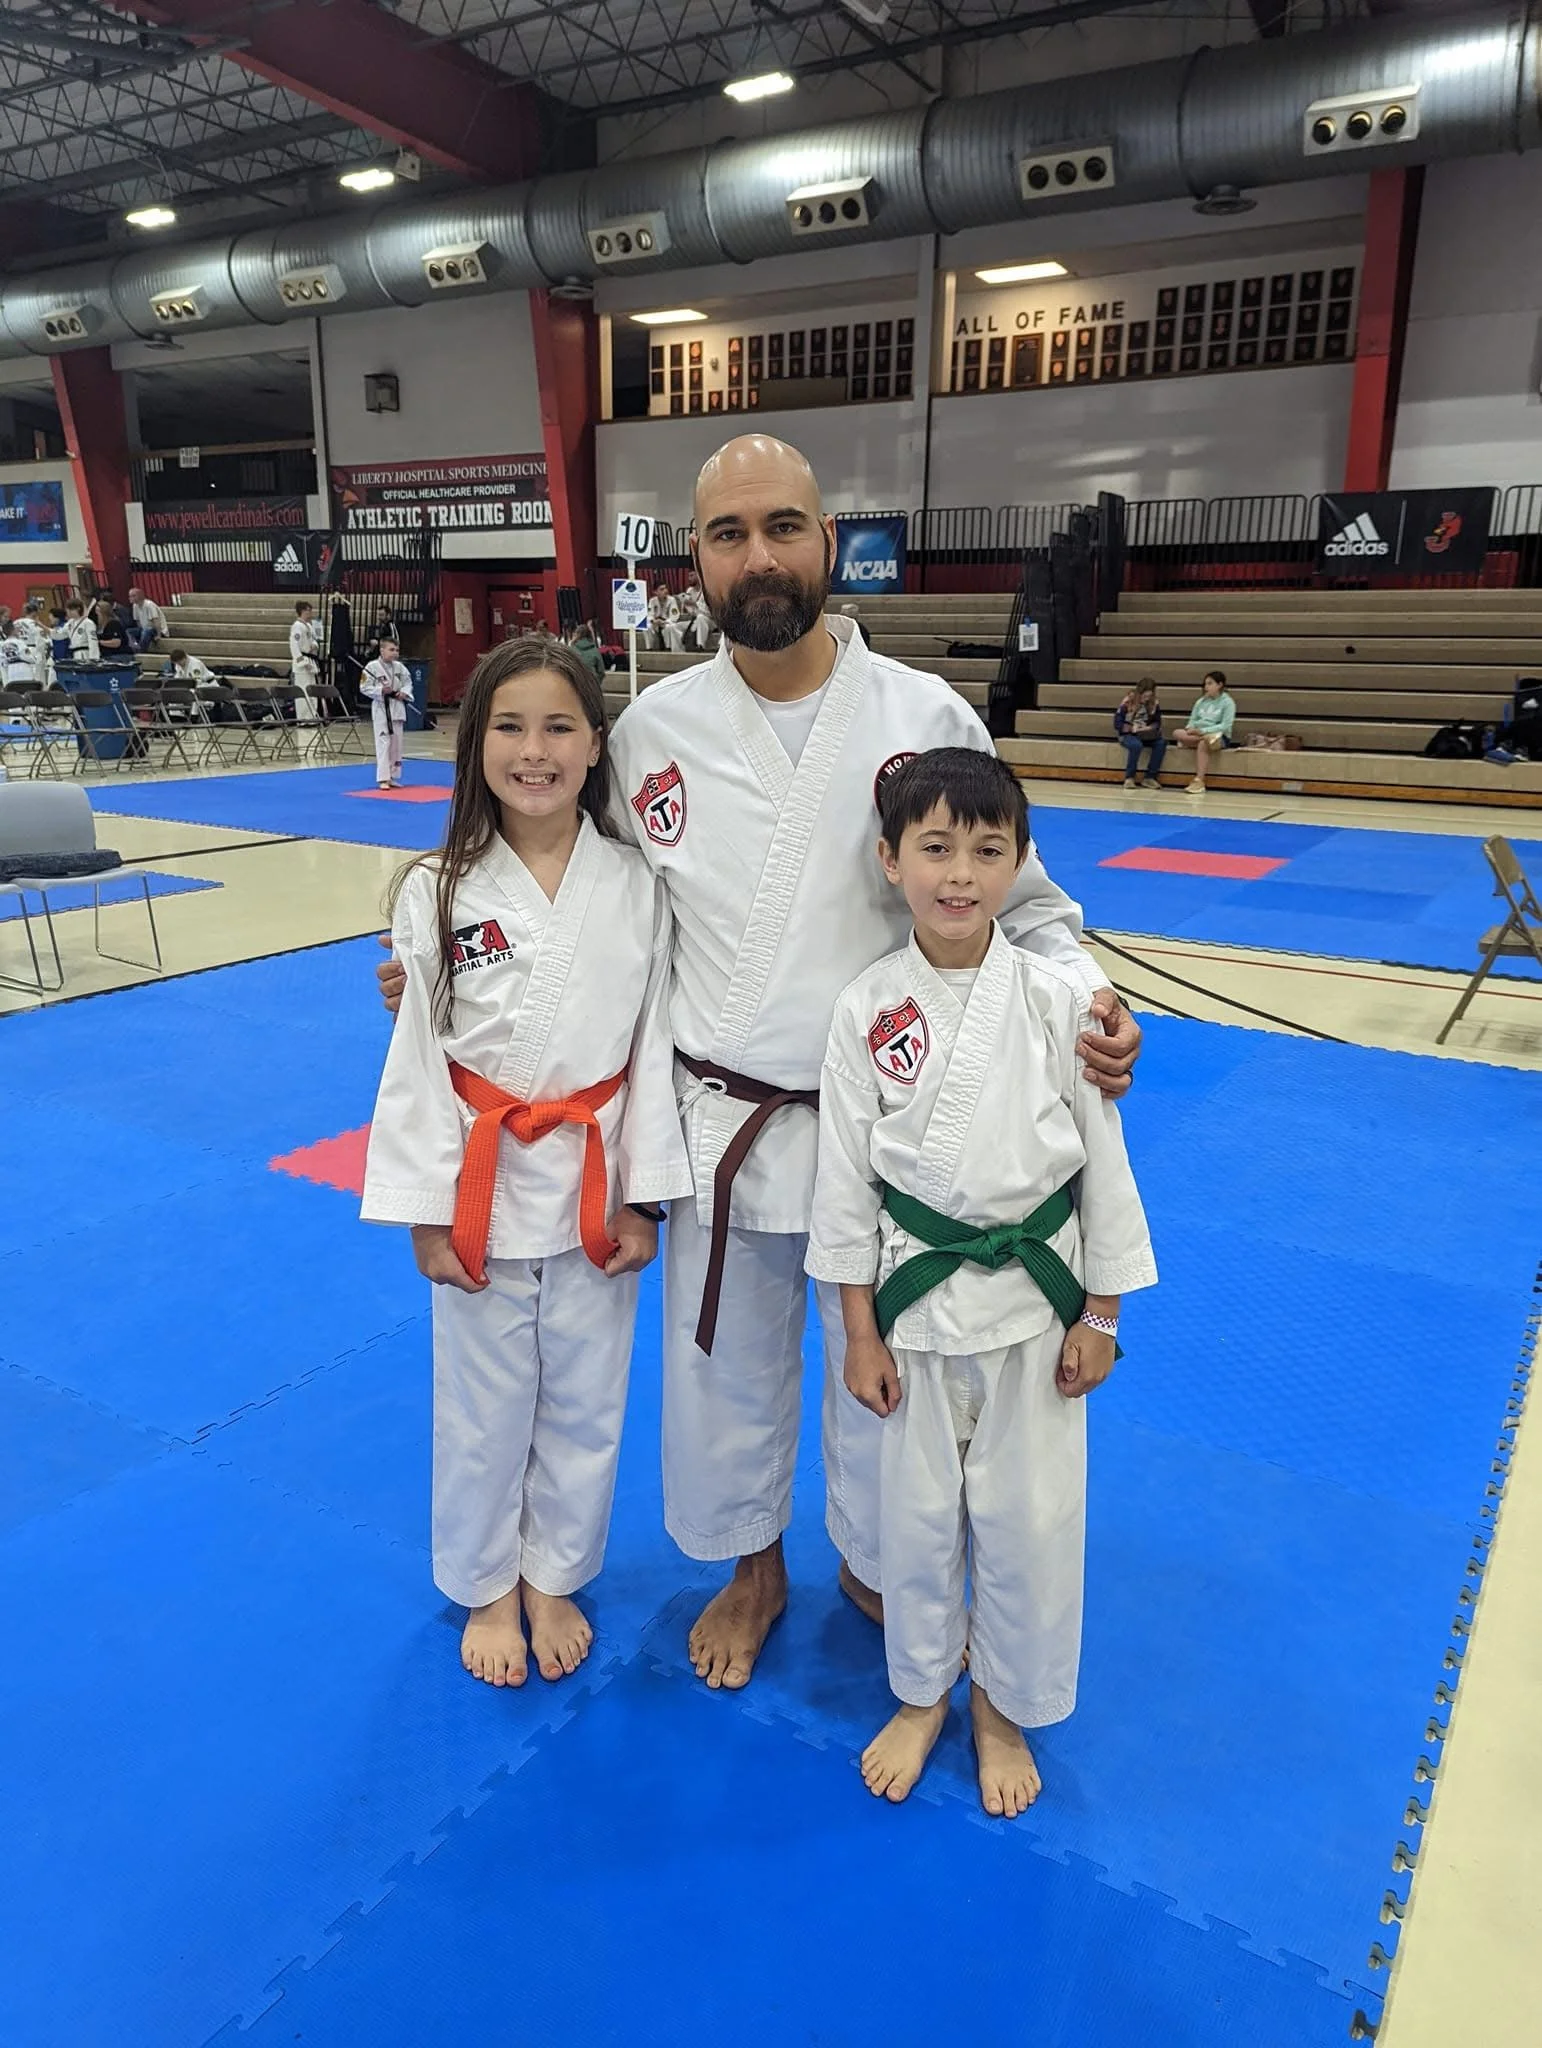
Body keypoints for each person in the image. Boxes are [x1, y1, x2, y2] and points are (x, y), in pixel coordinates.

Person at [380, 435, 1141, 1693]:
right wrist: (453, 956)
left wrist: (1093, 1003)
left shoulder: (924, 716)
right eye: (729, 534)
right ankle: (753, 1562)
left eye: (784, 525)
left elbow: (1026, 904)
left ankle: (874, 1552)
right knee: (722, 1365)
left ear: (828, 540)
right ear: (697, 560)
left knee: (883, 1364)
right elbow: (581, 893)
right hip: (715, 1120)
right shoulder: (652, 731)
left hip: (890, 1124)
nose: (760, 555)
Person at [808, 748, 1156, 1814]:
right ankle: (921, 1694)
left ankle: (1004, 1707)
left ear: (1019, 864)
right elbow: (845, 1187)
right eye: (935, 848)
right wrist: (857, 1331)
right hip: (913, 1312)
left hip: (1037, 1310)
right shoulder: (865, 1007)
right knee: (914, 1523)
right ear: (891, 860)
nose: (960, 874)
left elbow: (1104, 1169)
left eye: (988, 850)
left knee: (1030, 1523)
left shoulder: (1060, 998)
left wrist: (1102, 1314)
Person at [361, 638, 689, 1687]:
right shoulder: (435, 887)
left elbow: (653, 1046)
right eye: (508, 726)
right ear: (474, 743)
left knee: (589, 1398)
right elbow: (418, 1059)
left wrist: (644, 1199)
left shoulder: (637, 882)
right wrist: (425, 1207)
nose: (534, 750)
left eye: (559, 727)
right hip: (482, 1183)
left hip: (596, 1173)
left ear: (597, 746)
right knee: (483, 1404)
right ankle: (485, 1583)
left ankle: (553, 1572)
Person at [361, 634, 414, 788]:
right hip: (381, 708)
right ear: (382, 650)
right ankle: (383, 778)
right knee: (383, 743)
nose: (395, 653)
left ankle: (392, 775)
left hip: (397, 706)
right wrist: (380, 690)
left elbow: (408, 683)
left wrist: (404, 692)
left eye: (397, 650)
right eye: (391, 650)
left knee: (396, 743)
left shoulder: (400, 667)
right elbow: (364, 687)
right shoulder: (371, 667)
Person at [1173, 669, 1236, 794]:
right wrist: (1190, 729)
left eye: (1210, 683)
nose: (1206, 687)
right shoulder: (1201, 701)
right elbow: (1192, 719)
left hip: (1218, 736)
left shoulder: (1228, 702)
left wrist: (1203, 731)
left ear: (1220, 685)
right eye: (1205, 684)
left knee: (1203, 743)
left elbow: (1225, 725)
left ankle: (1199, 781)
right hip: (1198, 734)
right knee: (1177, 733)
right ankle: (1195, 740)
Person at [1113, 679, 1165, 788]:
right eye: (1144, 696)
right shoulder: (1128, 702)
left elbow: (1157, 722)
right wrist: (1131, 728)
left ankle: (1150, 777)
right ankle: (1129, 777)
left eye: (1149, 696)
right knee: (1136, 745)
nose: (1146, 699)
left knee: (1161, 743)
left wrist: (1149, 728)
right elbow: (1117, 723)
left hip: (1145, 733)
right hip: (1128, 734)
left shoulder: (1154, 703)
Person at [290, 600, 321, 717]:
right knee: (303, 691)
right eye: (308, 611)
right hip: (302, 664)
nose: (310, 613)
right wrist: (302, 662)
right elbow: (294, 647)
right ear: (302, 611)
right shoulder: (297, 626)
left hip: (311, 660)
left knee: (312, 690)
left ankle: (312, 716)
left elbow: (314, 639)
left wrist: (315, 645)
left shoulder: (308, 625)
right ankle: (303, 718)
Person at [126, 586, 168, 654]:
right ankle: (135, 647)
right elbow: (138, 621)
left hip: (157, 630)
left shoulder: (149, 605)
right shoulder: (135, 606)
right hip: (145, 629)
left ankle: (141, 651)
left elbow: (156, 621)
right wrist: (140, 631)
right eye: (130, 596)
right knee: (128, 631)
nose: (130, 598)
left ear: (139, 596)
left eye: (133, 596)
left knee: (146, 631)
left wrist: (159, 635)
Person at [568, 619, 605, 683]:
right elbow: (601, 671)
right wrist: (596, 683)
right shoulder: (594, 650)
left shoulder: (571, 650)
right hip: (592, 682)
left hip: (576, 682)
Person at [63, 599, 99, 663]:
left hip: (85, 654)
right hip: (75, 654)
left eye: (71, 609)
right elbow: (59, 634)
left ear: (78, 609)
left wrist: (93, 659)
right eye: (68, 610)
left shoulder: (88, 622)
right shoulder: (70, 623)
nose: (68, 612)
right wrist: (45, 628)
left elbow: (93, 641)